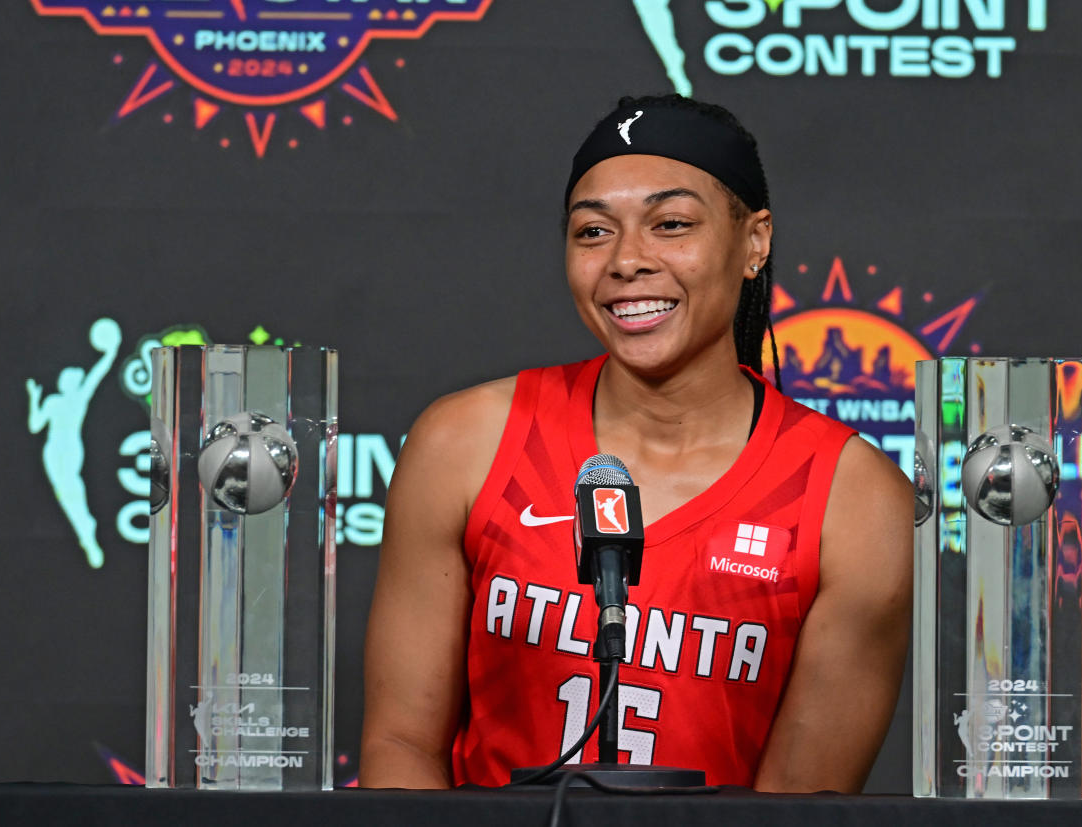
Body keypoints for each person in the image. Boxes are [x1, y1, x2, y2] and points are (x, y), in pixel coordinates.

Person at [360, 95, 912, 792]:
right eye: (593, 231)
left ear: (754, 242)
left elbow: (793, 809)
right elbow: (401, 742)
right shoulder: (462, 441)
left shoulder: (852, 501)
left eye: (671, 224)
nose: (626, 260)